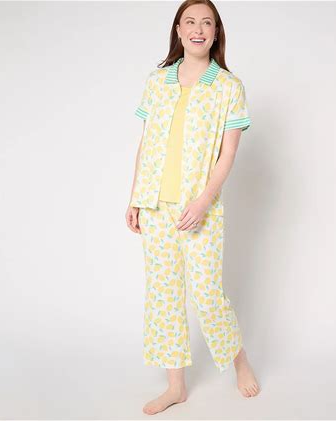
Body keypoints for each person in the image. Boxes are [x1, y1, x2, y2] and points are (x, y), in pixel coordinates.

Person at [125, 0, 260, 415]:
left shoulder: (229, 87)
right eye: (190, 22)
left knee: (207, 294)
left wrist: (203, 201)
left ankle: (240, 362)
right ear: (179, 30)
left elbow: (228, 154)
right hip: (155, 205)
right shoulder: (157, 82)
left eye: (206, 23)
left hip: (199, 208)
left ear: (216, 32)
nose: (198, 29)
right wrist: (135, 198)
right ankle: (175, 387)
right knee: (163, 295)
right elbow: (147, 145)